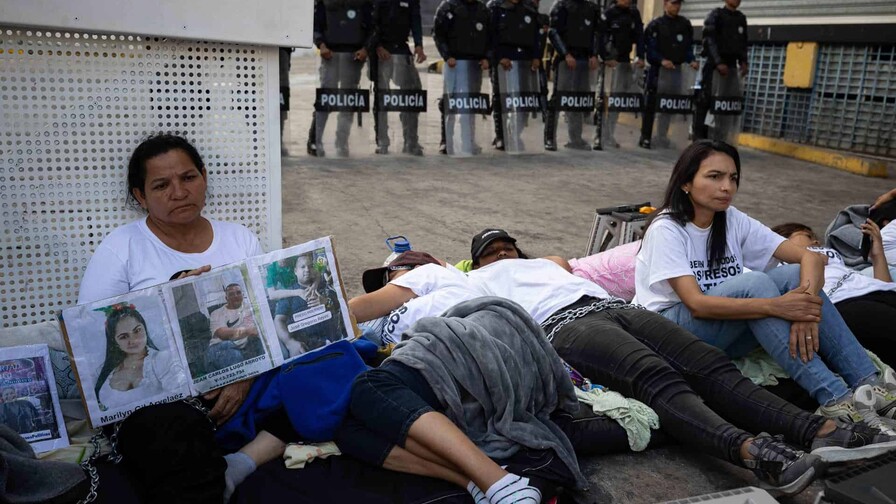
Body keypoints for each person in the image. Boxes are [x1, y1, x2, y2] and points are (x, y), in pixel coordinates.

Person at [465, 227, 896, 496]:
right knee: (657, 379)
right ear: (475, 263)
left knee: (709, 363)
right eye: (491, 252)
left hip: (615, 308)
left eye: (508, 247)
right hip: (565, 327)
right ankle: (757, 454)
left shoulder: (547, 265)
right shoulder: (469, 281)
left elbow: (570, 264)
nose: (501, 255)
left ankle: (820, 431)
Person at [634, 140, 896, 435]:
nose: (726, 187)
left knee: (795, 275)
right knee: (756, 283)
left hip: (722, 329)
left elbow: (808, 257)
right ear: (685, 182)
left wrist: (804, 308)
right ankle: (835, 398)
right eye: (714, 177)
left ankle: (871, 384)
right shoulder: (667, 228)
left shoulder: (731, 219)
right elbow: (696, 303)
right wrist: (776, 306)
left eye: (732, 178)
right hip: (668, 333)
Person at [77, 133, 265, 502]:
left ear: (204, 177)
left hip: (246, 378)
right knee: (170, 429)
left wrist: (244, 375)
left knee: (328, 363)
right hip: (165, 399)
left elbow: (264, 320)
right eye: (161, 185)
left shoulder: (240, 240)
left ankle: (240, 460)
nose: (179, 192)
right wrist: (167, 298)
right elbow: (93, 339)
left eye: (188, 178)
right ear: (140, 196)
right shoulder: (123, 247)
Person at [772, 222, 896, 372]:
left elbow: (884, 285)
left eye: (815, 239)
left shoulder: (834, 258)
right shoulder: (777, 265)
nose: (815, 241)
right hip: (843, 304)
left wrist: (878, 255)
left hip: (880, 294)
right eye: (807, 236)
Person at [306, 0, 372, 157]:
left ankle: (341, 142)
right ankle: (315, 140)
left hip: (354, 55)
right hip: (331, 54)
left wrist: (365, 48)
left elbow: (372, 25)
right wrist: (321, 45)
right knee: (326, 99)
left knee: (348, 101)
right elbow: (315, 24)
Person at [93, 303, 181, 412]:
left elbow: (180, 397)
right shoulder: (105, 372)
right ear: (114, 341)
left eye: (137, 330)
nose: (133, 340)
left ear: (144, 328)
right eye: (124, 336)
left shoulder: (162, 359)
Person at [433, 0, 491, 156]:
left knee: (471, 104)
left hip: (475, 65)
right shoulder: (448, 7)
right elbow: (438, 34)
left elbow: (491, 37)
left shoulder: (482, 10)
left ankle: (469, 140)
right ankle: (446, 140)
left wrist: (487, 57)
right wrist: (446, 55)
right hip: (454, 63)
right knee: (451, 103)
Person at [369, 0, 427, 155]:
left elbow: (415, 19)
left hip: (401, 48)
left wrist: (419, 44)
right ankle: (382, 141)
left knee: (412, 94)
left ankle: (411, 141)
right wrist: (377, 46)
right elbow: (370, 22)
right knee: (382, 96)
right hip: (381, 50)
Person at [638, 0, 698, 149]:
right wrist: (661, 60)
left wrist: (692, 60)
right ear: (665, 4)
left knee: (669, 106)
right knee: (651, 105)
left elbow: (688, 48)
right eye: (673, 3)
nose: (676, 7)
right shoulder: (656, 25)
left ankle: (662, 136)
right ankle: (645, 137)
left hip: (677, 72)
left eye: (678, 4)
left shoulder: (684, 25)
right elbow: (650, 50)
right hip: (658, 72)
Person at [544, 0, 601, 151]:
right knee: (558, 99)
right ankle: (550, 138)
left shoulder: (591, 8)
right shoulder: (561, 5)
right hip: (566, 59)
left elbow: (597, 32)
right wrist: (565, 53)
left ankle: (575, 138)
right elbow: (553, 32)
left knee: (579, 100)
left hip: (584, 60)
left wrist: (594, 54)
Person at [489, 0, 542, 151]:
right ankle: (501, 136)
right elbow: (490, 36)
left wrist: (536, 56)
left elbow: (537, 36)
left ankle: (514, 133)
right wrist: (499, 57)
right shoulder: (495, 7)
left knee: (524, 101)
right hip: (504, 62)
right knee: (501, 99)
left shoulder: (529, 9)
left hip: (524, 62)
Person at [269, 253, 344, 357]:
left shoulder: (324, 286)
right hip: (306, 347)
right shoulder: (289, 294)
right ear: (295, 271)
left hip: (334, 342)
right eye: (303, 267)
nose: (307, 270)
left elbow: (341, 306)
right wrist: (290, 342)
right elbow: (278, 320)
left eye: (310, 266)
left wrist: (326, 301)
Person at [693, 0, 748, 140]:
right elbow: (709, 40)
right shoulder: (716, 15)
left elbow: (743, 42)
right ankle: (698, 138)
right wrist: (718, 62)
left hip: (730, 67)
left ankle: (720, 137)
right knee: (704, 101)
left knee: (725, 104)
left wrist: (743, 61)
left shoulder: (741, 18)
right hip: (714, 66)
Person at [599, 0, 645, 148]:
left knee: (617, 99)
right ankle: (600, 134)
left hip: (624, 61)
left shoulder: (633, 13)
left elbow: (639, 36)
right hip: (610, 62)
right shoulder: (609, 13)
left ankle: (609, 134)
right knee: (605, 99)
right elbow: (601, 37)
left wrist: (640, 56)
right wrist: (606, 56)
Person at [207, 284, 264, 371]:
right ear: (226, 298)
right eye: (231, 294)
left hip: (244, 346)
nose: (236, 296)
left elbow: (256, 329)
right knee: (229, 346)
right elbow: (223, 334)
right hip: (219, 348)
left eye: (238, 293)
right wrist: (248, 331)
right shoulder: (216, 313)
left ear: (243, 295)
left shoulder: (250, 307)